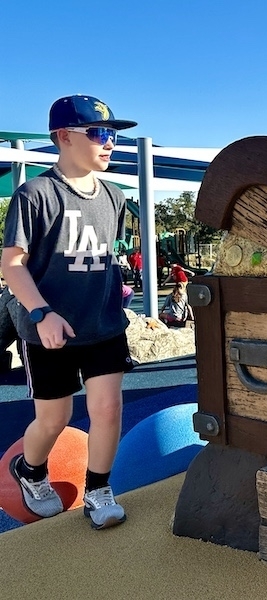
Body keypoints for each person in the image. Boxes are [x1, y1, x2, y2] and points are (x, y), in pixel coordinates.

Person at [1, 94, 137, 529]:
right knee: (54, 418)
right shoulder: (34, 194)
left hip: (103, 324)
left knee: (108, 408)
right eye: (99, 133)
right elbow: (12, 265)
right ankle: (30, 469)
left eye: (112, 135)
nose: (109, 142)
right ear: (63, 137)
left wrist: (117, 294)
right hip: (49, 330)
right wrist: (41, 313)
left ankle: (98, 489)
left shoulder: (114, 197)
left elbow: (102, 257)